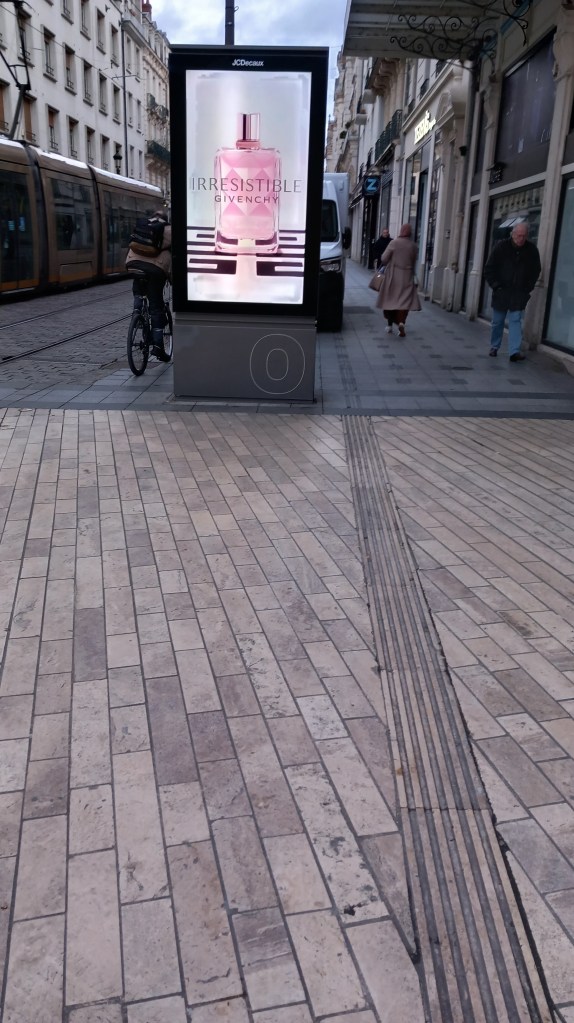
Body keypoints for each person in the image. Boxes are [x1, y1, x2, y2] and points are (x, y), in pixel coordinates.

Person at [483, 221, 541, 362]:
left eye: (524, 236)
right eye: (519, 235)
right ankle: (494, 346)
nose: (521, 239)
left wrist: (528, 287)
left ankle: (514, 351)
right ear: (513, 234)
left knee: (515, 320)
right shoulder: (501, 247)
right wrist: (496, 286)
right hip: (501, 291)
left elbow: (536, 270)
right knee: (498, 321)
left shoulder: (531, 250)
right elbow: (489, 268)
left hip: (519, 292)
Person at [126, 209, 172, 361]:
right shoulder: (168, 230)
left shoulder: (142, 225)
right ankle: (158, 346)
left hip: (133, 264)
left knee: (138, 283)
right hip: (156, 270)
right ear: (165, 219)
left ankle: (137, 310)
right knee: (156, 307)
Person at [375, 223, 421, 337]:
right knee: (404, 303)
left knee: (390, 301)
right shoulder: (413, 246)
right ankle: (401, 323)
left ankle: (390, 325)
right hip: (407, 277)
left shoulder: (394, 243)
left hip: (393, 276)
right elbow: (414, 261)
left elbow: (384, 259)